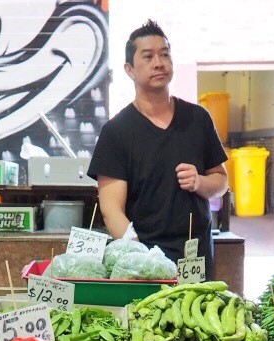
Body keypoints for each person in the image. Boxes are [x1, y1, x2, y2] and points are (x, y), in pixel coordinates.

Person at [87, 20, 228, 263]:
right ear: (129, 69)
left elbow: (222, 181)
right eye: (148, 57)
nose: (159, 63)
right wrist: (143, 258)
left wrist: (199, 182)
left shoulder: (198, 118)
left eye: (164, 55)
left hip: (197, 256)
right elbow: (111, 211)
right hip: (145, 257)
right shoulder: (116, 131)